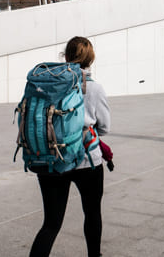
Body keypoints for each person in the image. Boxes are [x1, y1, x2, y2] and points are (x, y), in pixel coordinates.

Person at [30, 36, 111, 257]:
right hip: (87, 162)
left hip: (52, 158)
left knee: (51, 224)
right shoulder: (94, 88)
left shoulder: (47, 86)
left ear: (65, 57)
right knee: (92, 213)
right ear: (91, 59)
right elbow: (105, 127)